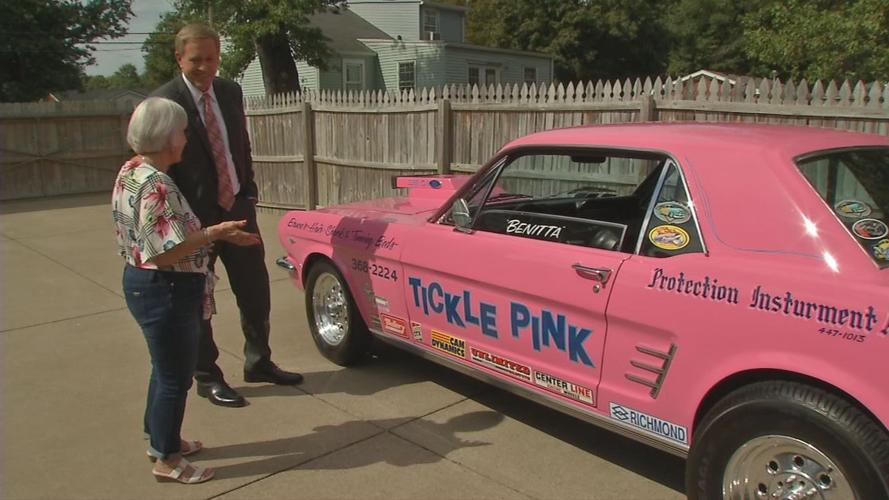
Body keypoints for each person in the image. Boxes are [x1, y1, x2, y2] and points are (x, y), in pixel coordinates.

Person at [151, 23, 303, 408]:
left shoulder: (231, 92)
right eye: (196, 60)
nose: (205, 67)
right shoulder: (164, 102)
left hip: (236, 210)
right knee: (197, 300)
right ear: (179, 58)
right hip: (193, 222)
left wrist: (247, 191)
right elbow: (157, 166)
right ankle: (207, 375)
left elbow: (240, 144)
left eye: (211, 59)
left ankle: (259, 361)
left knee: (255, 290)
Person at [114, 97, 262, 483]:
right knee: (174, 377)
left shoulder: (131, 170)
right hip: (166, 288)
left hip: (145, 284)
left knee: (163, 370)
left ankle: (160, 438)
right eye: (181, 131)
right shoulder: (156, 184)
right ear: (167, 138)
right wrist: (216, 233)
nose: (185, 138)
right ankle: (167, 459)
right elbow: (163, 252)